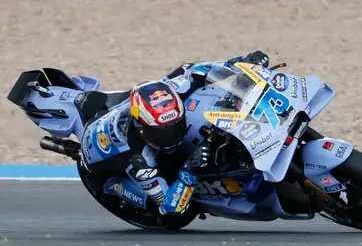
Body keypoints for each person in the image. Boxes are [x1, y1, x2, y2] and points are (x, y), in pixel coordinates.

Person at [79, 51, 271, 216]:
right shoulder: (138, 161)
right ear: (142, 128)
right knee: (161, 209)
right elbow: (171, 207)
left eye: (176, 126)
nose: (172, 136)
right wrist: (189, 170)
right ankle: (116, 188)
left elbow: (197, 70)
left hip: (126, 110)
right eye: (162, 133)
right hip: (103, 168)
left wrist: (240, 63)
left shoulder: (176, 89)